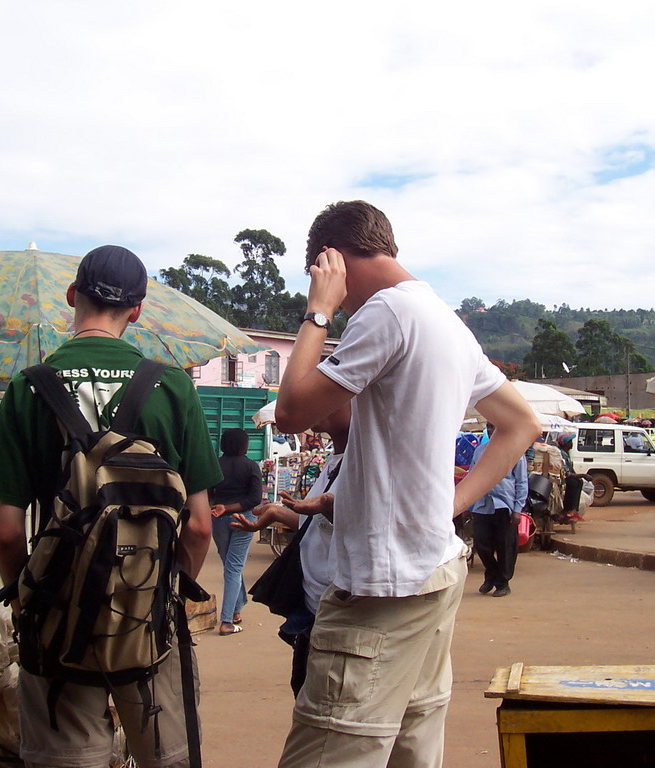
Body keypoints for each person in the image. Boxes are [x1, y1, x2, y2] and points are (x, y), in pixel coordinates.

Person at [273, 200, 539, 767]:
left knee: (328, 751)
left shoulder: (387, 313)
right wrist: (451, 505)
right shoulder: (445, 319)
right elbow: (521, 424)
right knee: (412, 744)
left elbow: (292, 411)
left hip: (382, 587)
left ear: (331, 259)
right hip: (436, 569)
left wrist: (318, 313)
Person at [0, 245, 222, 768]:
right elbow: (199, 527)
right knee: (166, 756)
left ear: (71, 296)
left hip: (58, 624)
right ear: (137, 310)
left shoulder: (28, 388)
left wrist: (26, 606)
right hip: (146, 620)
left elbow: (9, 533)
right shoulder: (171, 385)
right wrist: (161, 595)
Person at [230, 403, 350, 697]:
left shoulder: (365, 464)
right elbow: (317, 524)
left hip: (338, 613)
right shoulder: (335, 461)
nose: (319, 400)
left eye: (332, 394)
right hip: (313, 610)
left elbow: (364, 526)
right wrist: (275, 514)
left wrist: (331, 508)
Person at [209, 428, 264, 636]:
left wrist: (220, 507)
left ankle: (237, 608)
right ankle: (227, 621)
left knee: (229, 565)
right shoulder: (251, 466)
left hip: (218, 521)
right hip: (243, 520)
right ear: (244, 445)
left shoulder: (215, 465)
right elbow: (255, 499)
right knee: (233, 567)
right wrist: (232, 509)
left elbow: (208, 492)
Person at [469, 423, 528, 598]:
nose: (491, 430)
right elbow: (471, 477)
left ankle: (502, 583)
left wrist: (517, 509)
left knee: (505, 547)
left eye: (494, 427)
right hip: (481, 505)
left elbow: (522, 482)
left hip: (505, 506)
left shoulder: (516, 451)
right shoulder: (479, 451)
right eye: (489, 427)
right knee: (482, 544)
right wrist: (468, 505)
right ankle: (492, 575)